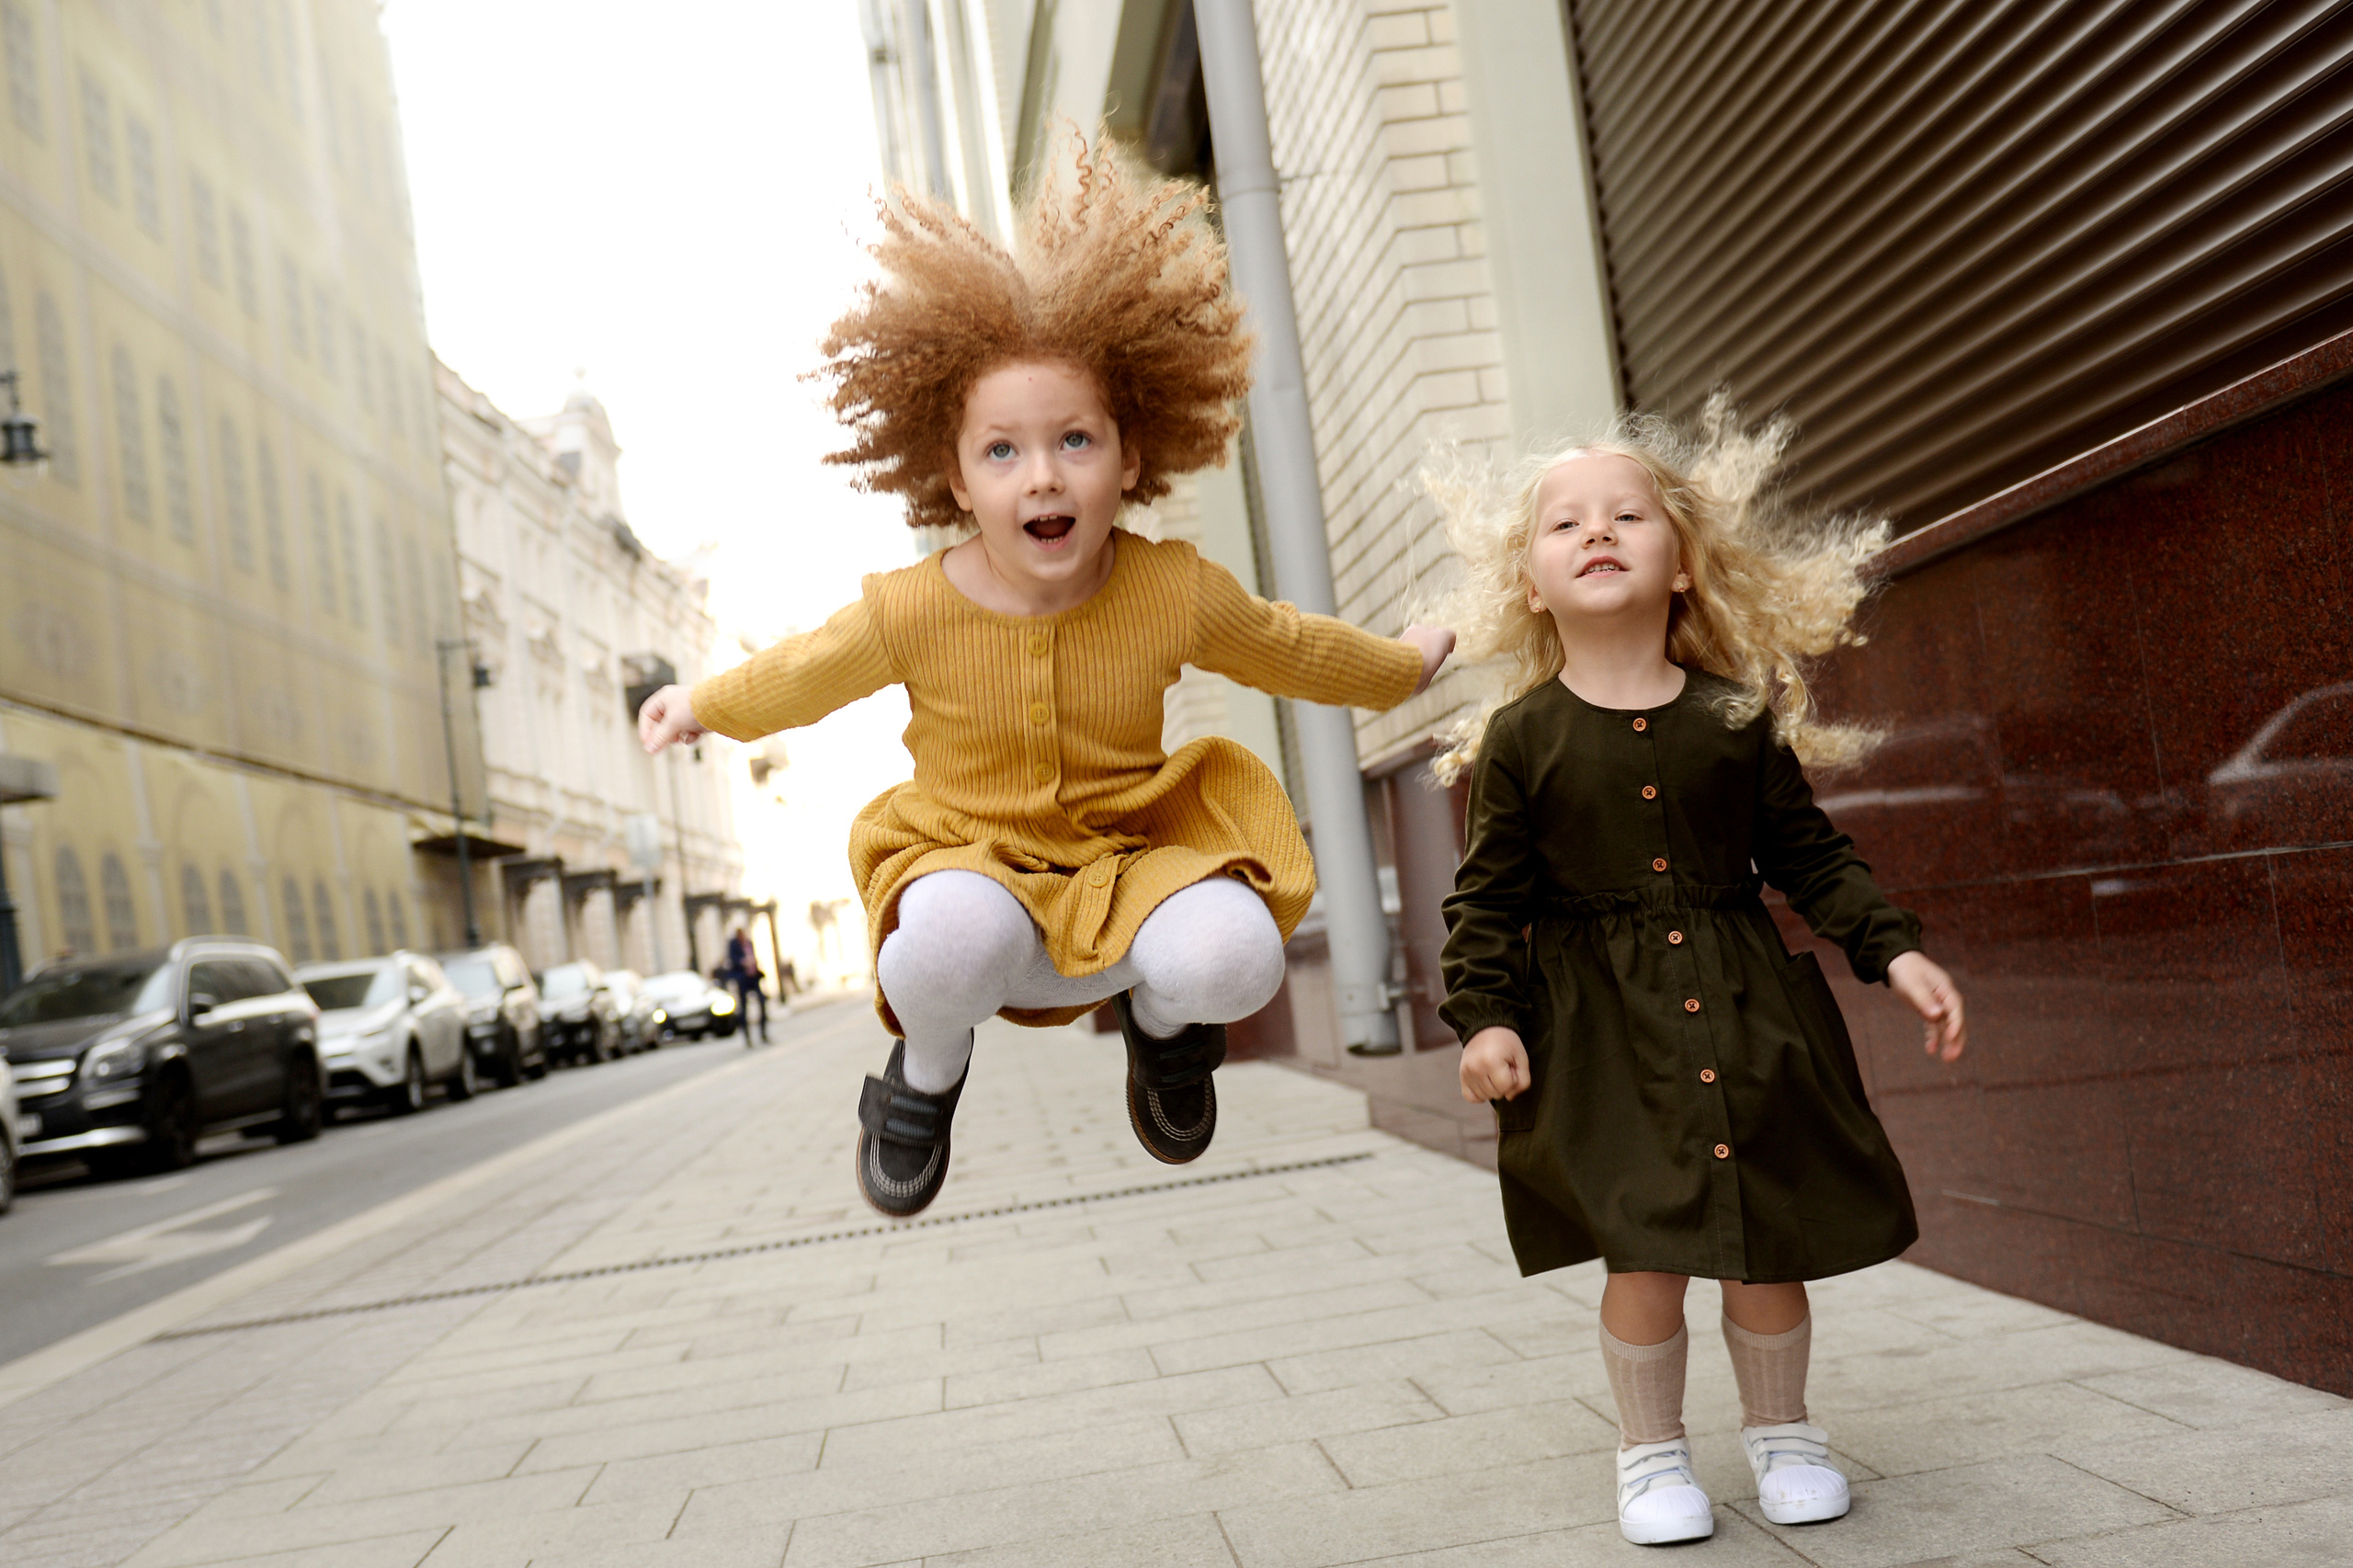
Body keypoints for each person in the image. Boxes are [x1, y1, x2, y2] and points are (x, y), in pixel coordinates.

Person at [637, 132, 1454, 1218]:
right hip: (968, 865)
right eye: (1004, 451)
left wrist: (1403, 664)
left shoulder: (1170, 586)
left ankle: (1165, 1036)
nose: (1045, 475)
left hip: (1130, 858)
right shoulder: (912, 606)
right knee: (941, 946)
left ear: (1129, 451)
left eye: (1075, 439)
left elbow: (1287, 644)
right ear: (955, 477)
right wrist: (701, 703)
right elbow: (808, 670)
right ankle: (925, 1075)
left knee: (1236, 956)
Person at [1432, 401, 1966, 1547]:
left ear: (1680, 563)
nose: (1597, 532)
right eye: (1564, 523)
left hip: (1742, 1010)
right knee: (1646, 1247)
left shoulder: (1732, 715)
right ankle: (1651, 1454)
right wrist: (1483, 1017)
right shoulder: (1521, 738)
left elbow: (1811, 855)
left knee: (1764, 1237)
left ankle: (1784, 1433)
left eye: (1628, 513)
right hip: (1605, 1038)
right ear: (1530, 581)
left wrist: (1896, 947)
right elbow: (1487, 898)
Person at [725, 925, 769, 1042]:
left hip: (753, 977)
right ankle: (747, 1036)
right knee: (743, 1007)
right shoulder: (733, 944)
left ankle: (763, 1033)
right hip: (742, 978)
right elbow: (732, 959)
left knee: (762, 1001)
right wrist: (743, 962)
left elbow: (754, 956)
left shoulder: (749, 943)